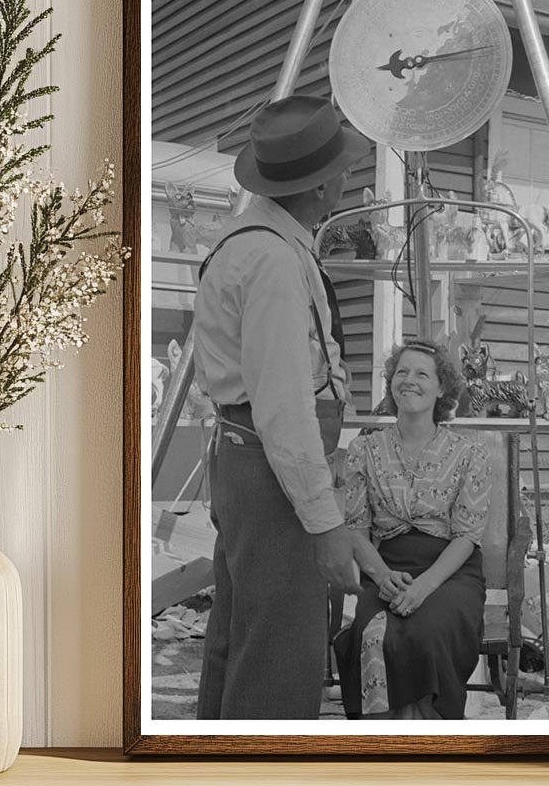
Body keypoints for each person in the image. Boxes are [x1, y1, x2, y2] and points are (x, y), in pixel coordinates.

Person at [193, 94, 369, 720]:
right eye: (341, 169)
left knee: (242, 638)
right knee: (280, 655)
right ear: (320, 186)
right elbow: (286, 409)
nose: (348, 178)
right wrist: (325, 525)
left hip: (252, 458)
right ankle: (262, 778)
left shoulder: (259, 241)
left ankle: (217, 768)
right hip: (271, 471)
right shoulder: (270, 260)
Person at [334, 340, 493, 720]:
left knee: (428, 632)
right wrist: (382, 576)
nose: (409, 380)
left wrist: (423, 587)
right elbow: (355, 529)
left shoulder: (469, 453)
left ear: (441, 388)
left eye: (422, 374)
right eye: (401, 372)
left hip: (450, 572)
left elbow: (467, 537)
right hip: (387, 569)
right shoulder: (364, 450)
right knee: (373, 635)